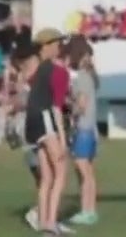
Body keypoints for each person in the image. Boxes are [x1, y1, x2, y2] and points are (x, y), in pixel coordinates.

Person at [26, 28, 72, 234]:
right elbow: (56, 107)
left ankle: (44, 220)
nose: (59, 47)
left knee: (46, 176)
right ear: (48, 46)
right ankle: (51, 222)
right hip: (46, 120)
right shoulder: (58, 71)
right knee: (61, 171)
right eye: (56, 43)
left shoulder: (38, 71)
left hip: (32, 122)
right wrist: (62, 139)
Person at [66, 36, 100, 226]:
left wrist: (67, 105)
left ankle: (88, 210)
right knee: (87, 171)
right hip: (92, 129)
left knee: (83, 170)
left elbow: (81, 106)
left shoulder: (81, 77)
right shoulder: (90, 77)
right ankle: (87, 208)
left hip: (83, 129)